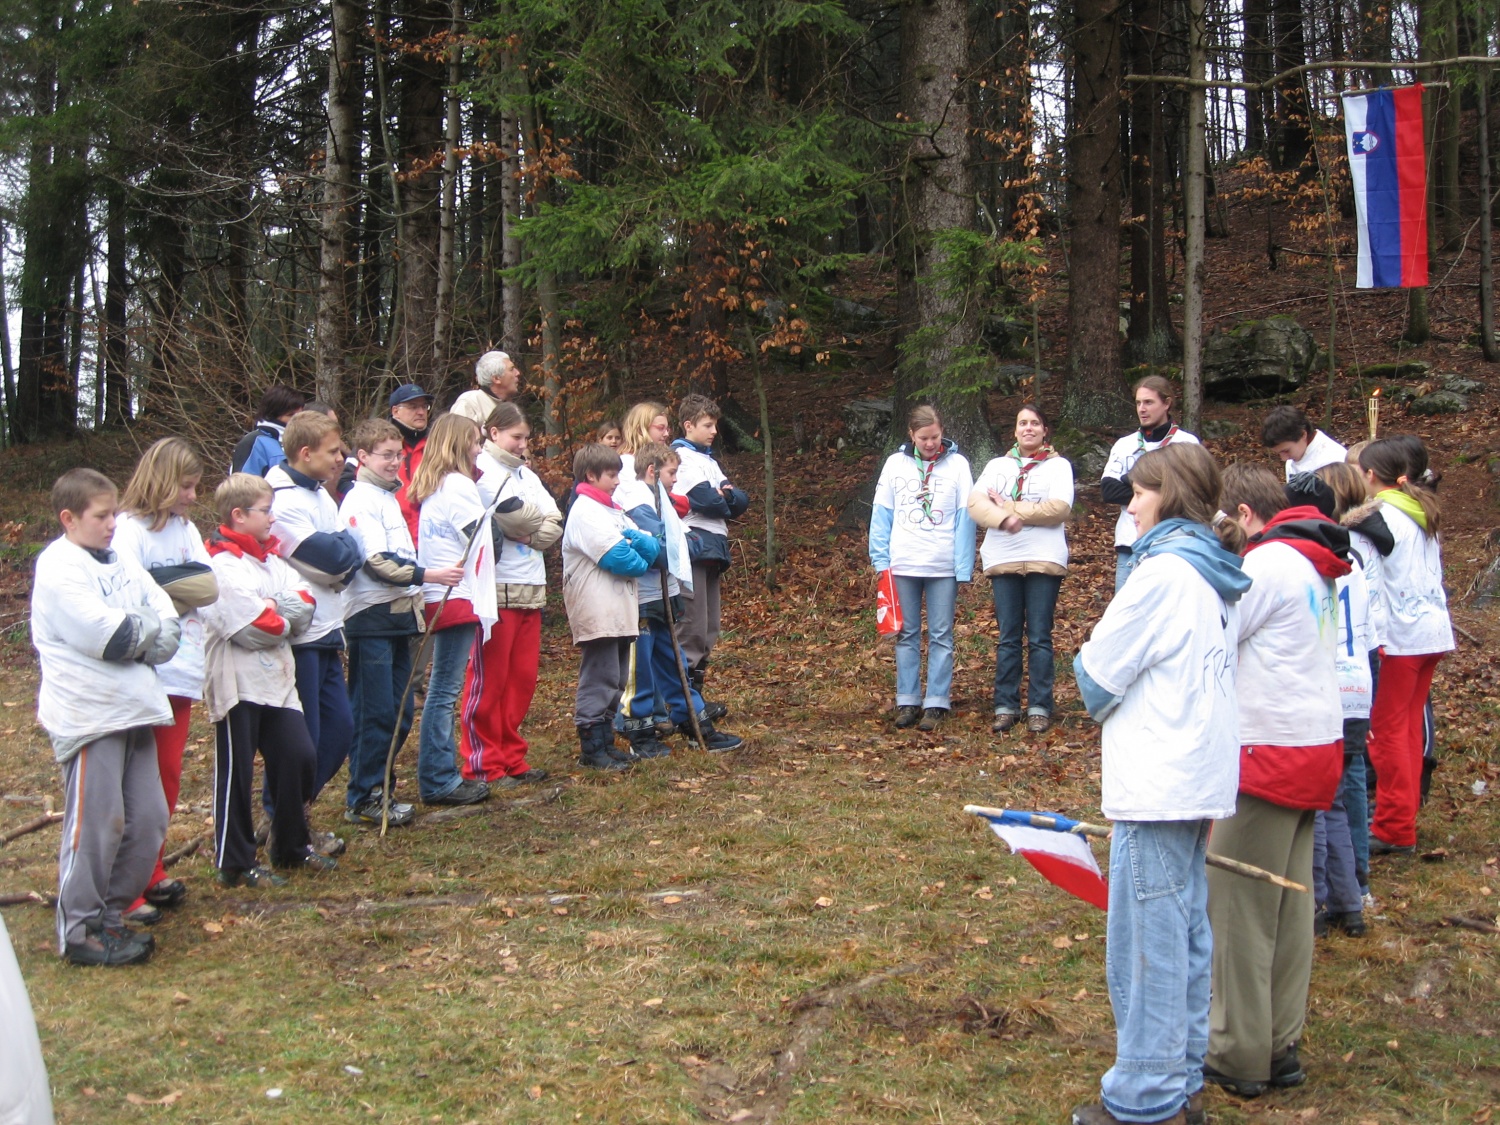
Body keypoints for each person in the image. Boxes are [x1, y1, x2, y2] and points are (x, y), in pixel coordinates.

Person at [1071, 443, 1249, 1125]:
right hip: (1198, 773)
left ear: (1168, 493)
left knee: (1150, 939)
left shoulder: (1163, 574)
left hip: (1160, 778)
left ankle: (1146, 1095)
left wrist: (1087, 663)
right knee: (1185, 926)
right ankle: (1182, 1076)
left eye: (1140, 492)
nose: (1130, 503)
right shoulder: (1215, 570)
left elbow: (1096, 676)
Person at [1203, 463, 1348, 1100]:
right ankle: (1280, 1040)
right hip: (1313, 745)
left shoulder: (1267, 565)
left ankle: (1237, 1050)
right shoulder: (1312, 563)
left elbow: (1216, 638)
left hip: (1267, 751)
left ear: (1240, 516)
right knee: (1288, 904)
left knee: (1238, 906)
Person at [32, 468, 180, 966]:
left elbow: (164, 620)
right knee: (97, 825)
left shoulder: (119, 560)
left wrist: (143, 632)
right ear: (69, 518)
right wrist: (141, 632)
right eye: (101, 515)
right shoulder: (59, 567)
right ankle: (80, 929)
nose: (113, 523)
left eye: (114, 512)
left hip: (136, 707)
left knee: (149, 818)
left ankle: (112, 916)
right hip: (90, 714)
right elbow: (108, 636)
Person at [200, 474, 332, 885]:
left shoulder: (273, 561)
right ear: (238, 515)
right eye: (265, 511)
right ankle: (235, 861)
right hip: (236, 680)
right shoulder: (221, 565)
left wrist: (276, 609)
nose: (273, 519)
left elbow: (306, 607)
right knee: (237, 772)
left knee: (298, 755)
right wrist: (277, 611)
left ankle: (290, 846)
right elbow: (256, 627)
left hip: (277, 679)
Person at [113, 438, 220, 925]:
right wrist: (173, 591)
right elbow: (133, 594)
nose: (193, 497)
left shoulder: (186, 529)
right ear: (161, 481)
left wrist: (168, 588)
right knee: (135, 782)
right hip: (145, 672)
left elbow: (208, 585)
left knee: (167, 778)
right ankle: (125, 881)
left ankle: (151, 868)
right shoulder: (127, 532)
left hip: (183, 671)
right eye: (186, 486)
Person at [340, 419, 464, 827]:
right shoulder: (360, 500)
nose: (395, 463)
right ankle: (364, 795)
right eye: (385, 456)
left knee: (398, 711)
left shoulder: (390, 498)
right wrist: (431, 576)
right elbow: (377, 562)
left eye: (398, 455)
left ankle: (383, 787)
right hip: (371, 618)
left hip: (399, 618)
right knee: (375, 711)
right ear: (362, 457)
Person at [267, 411, 364, 854]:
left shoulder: (321, 496)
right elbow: (327, 559)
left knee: (339, 731)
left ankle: (293, 815)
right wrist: (341, 557)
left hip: (330, 627)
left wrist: (342, 557)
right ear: (305, 453)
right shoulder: (280, 500)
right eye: (332, 452)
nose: (341, 459)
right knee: (302, 741)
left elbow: (350, 552)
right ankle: (283, 824)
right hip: (300, 636)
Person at [1359, 437, 1453, 855]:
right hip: (1430, 632)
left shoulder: (1384, 516)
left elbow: (1373, 585)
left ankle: (1395, 826)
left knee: (1386, 732)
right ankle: (1400, 814)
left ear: (1372, 476)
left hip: (1400, 638)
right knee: (1408, 728)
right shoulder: (1420, 511)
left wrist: (1373, 639)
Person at [617, 442, 743, 754]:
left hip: (666, 594)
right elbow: (664, 546)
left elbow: (682, 542)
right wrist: (683, 545)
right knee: (641, 670)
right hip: (643, 599)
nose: (676, 479)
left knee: (675, 665)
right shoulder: (635, 499)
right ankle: (640, 735)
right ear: (652, 471)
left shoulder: (661, 498)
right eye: (672, 472)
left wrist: (684, 544)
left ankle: (695, 724)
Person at [463, 402, 563, 787]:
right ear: (493, 433)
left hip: (531, 586)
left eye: (526, 438)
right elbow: (515, 518)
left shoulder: (527, 474)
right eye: (516, 437)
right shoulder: (483, 471)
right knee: (491, 680)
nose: (522, 445)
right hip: (496, 589)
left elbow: (553, 521)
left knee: (522, 679)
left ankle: (511, 757)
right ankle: (483, 764)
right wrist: (527, 525)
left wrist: (530, 530)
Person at [868, 404, 975, 732]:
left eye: (935, 437)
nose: (930, 444)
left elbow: (965, 517)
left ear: (943, 433)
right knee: (907, 633)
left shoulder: (958, 465)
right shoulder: (895, 464)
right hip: (904, 563)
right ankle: (908, 699)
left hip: (942, 564)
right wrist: (880, 559)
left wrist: (963, 566)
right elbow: (882, 511)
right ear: (911, 435)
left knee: (942, 634)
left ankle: (937, 701)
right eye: (923, 438)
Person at [968, 404, 1073, 735]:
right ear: (1015, 431)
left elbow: (1058, 509)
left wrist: (1010, 507)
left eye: (1035, 423)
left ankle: (1040, 706)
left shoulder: (1058, 466)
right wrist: (1003, 519)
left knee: (1040, 636)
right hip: (1004, 558)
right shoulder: (998, 466)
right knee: (1009, 635)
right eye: (1022, 423)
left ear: (1045, 430)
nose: (1028, 428)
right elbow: (975, 504)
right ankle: (1005, 705)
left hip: (1044, 557)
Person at [412, 414, 497, 806]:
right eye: (475, 442)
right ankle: (439, 777)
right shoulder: (458, 485)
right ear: (459, 444)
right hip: (456, 592)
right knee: (445, 690)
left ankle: (439, 772)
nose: (479, 449)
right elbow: (479, 537)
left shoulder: (434, 484)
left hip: (438, 592)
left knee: (442, 688)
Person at [1310, 464, 1381, 932]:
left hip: (1328, 678)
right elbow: (1371, 631)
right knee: (1338, 793)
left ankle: (1313, 899)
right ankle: (1351, 899)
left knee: (1318, 800)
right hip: (1359, 676)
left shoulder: (1318, 556)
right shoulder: (1356, 555)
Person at [562, 443, 661, 771]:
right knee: (601, 674)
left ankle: (605, 741)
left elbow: (650, 545)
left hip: (618, 607)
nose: (618, 480)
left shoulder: (612, 509)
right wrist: (635, 548)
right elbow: (623, 559)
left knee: (617, 677)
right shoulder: (586, 511)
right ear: (591, 475)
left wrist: (635, 545)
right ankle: (592, 745)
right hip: (597, 606)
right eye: (611, 474)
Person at [671, 395, 749, 715]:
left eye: (715, 424)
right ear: (689, 425)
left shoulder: (710, 461)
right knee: (691, 624)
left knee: (709, 625)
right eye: (707, 425)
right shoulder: (681, 457)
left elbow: (739, 502)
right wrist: (721, 497)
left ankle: (696, 694)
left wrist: (725, 497)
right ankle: (682, 700)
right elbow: (708, 500)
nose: (714, 430)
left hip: (715, 546)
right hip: (693, 545)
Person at [1101, 375, 1200, 591]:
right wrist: (1162, 488)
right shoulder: (1124, 445)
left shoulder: (1187, 443)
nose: (1142, 409)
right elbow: (1108, 490)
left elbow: (1190, 492)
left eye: (1149, 402)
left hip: (1174, 541)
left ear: (1166, 403)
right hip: (1130, 544)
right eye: (1138, 403)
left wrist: (1130, 481)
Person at [389, 383, 434, 539]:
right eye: (413, 407)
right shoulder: (378, 442)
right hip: (393, 533)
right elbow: (348, 483)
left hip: (431, 535)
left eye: (424, 406)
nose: (421, 412)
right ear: (396, 411)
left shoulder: (437, 443)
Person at [231, 385, 306, 476]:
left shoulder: (303, 442)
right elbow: (242, 486)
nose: (297, 419)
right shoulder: (253, 442)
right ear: (272, 415)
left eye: (300, 414)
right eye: (291, 415)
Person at [1262, 405, 1347, 478]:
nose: (1284, 459)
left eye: (1286, 451)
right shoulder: (1293, 459)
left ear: (1303, 435)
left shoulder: (1335, 460)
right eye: (1279, 453)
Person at [451, 350, 520, 427]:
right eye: (511, 369)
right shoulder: (469, 403)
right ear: (496, 378)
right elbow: (457, 437)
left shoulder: (509, 408)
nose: (517, 373)